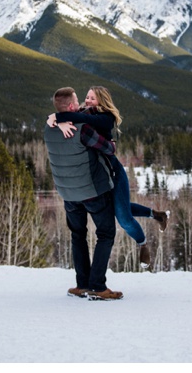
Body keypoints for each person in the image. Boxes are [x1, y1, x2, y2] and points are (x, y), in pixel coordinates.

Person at [47, 85, 170, 270]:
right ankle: (157, 214)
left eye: (92, 98)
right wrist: (57, 120)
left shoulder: (105, 118)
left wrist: (57, 118)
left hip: (113, 170)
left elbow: (77, 117)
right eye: (87, 97)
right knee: (115, 207)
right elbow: (67, 111)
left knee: (123, 218)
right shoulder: (81, 112)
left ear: (102, 102)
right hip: (98, 173)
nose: (87, 101)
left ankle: (142, 243)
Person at [44, 87, 123, 301]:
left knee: (77, 235)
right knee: (105, 233)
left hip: (68, 194)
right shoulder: (83, 129)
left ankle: (82, 284)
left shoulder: (49, 128)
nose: (81, 103)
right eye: (78, 100)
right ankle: (98, 286)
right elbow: (108, 148)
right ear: (71, 106)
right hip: (92, 189)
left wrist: (57, 118)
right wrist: (111, 145)